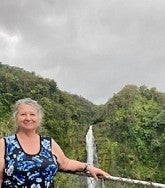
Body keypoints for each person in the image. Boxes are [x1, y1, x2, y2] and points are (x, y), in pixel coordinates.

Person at [0, 98, 110, 187]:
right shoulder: (5, 144)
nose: (28, 118)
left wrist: (88, 167)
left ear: (39, 119)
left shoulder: (48, 142)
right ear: (16, 117)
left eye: (32, 114)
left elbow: (65, 163)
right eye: (23, 114)